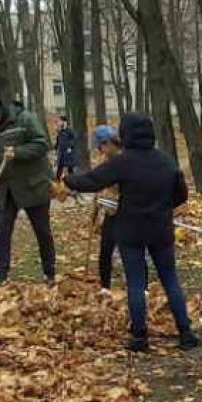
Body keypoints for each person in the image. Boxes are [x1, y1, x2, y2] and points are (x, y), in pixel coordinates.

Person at [63, 111, 200, 353]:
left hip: (131, 231)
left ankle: (139, 336)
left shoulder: (123, 162)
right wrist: (162, 207)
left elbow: (93, 180)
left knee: (135, 282)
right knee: (170, 280)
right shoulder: (166, 161)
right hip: (161, 229)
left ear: (125, 134)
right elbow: (181, 194)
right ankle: (185, 332)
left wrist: (68, 181)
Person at [0, 84, 56, 285]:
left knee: (42, 230)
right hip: (5, 190)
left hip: (33, 185)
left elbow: (42, 144)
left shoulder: (24, 119)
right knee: (2, 231)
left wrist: (18, 152)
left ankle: (50, 273)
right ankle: (1, 276)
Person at [90, 124, 121, 291]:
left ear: (108, 143)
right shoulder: (106, 160)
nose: (100, 151)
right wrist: (95, 214)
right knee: (105, 250)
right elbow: (98, 185)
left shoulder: (125, 159)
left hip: (127, 212)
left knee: (131, 251)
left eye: (100, 147)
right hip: (111, 212)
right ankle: (105, 288)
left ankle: (141, 287)